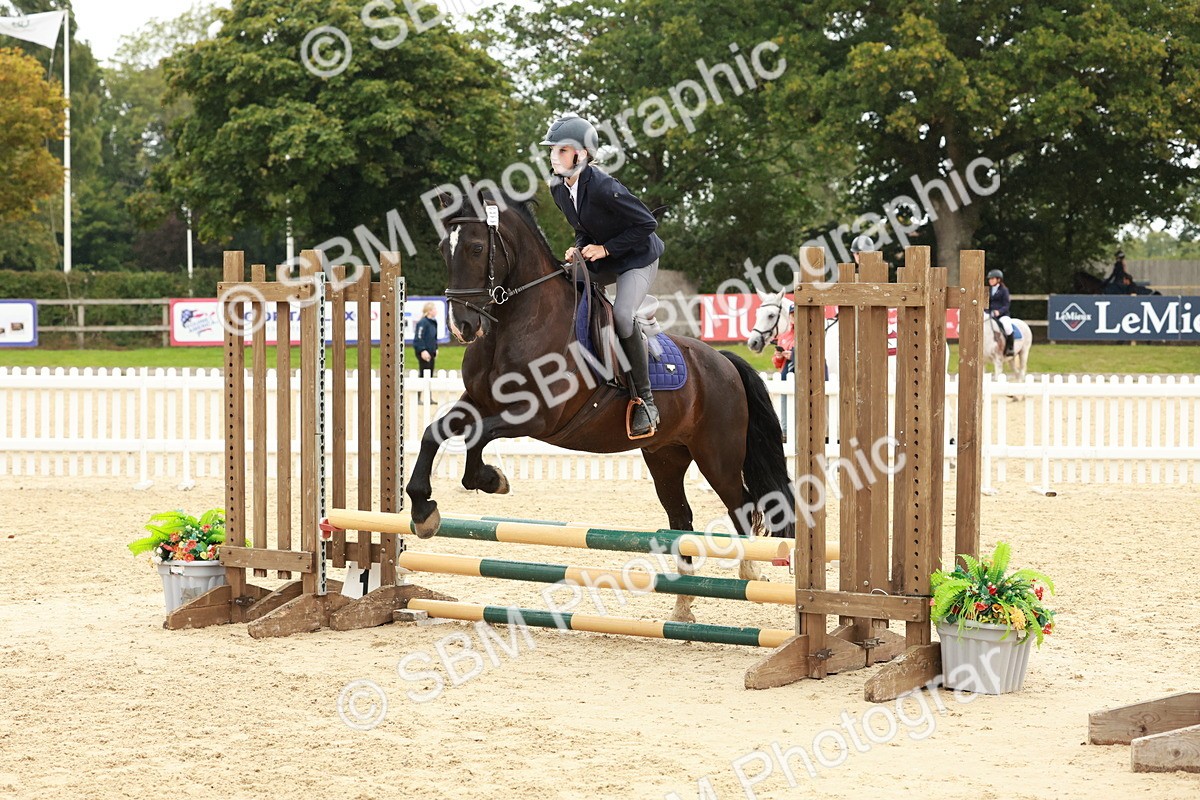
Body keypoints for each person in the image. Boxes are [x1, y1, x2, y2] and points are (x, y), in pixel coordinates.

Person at [542, 113, 665, 437]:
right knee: (562, 282)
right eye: (552, 149)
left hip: (637, 257)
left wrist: (606, 250)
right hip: (607, 255)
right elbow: (584, 228)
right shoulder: (558, 188)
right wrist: (579, 247)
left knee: (623, 315)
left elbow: (646, 225)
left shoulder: (604, 186)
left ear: (582, 154)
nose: (554, 155)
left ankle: (645, 401)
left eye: (561, 150)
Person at [987, 268, 1014, 356]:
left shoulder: (1004, 290)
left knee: (1007, 327)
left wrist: (999, 311)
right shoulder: (988, 290)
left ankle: (1010, 348)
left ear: (998, 279)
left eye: (992, 279)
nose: (990, 281)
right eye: (990, 279)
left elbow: (1006, 305)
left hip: (1002, 315)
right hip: (990, 314)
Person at [413, 302, 439, 377]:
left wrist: (436, 348)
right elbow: (419, 337)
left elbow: (434, 337)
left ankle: (428, 389)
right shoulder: (422, 323)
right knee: (424, 372)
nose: (436, 311)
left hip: (431, 351)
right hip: (424, 351)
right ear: (429, 311)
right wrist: (422, 350)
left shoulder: (434, 322)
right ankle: (421, 388)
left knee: (430, 372)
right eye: (434, 309)